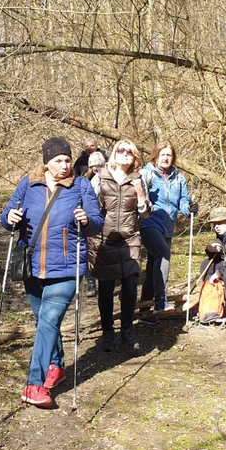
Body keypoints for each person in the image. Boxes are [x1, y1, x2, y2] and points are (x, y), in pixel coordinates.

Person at [1, 137, 104, 408]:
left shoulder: (80, 185)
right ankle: (56, 366)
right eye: (58, 160)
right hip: (31, 266)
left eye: (68, 160)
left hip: (67, 268)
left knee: (48, 321)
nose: (64, 165)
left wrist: (87, 220)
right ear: (46, 162)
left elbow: (97, 222)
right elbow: (7, 214)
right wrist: (9, 217)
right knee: (45, 324)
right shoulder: (28, 183)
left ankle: (34, 384)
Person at [88, 141, 151, 353]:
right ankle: (108, 333)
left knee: (131, 285)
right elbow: (91, 209)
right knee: (106, 289)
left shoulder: (139, 179)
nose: (124, 154)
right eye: (120, 150)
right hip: (104, 239)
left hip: (130, 239)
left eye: (129, 151)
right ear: (114, 154)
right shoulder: (100, 178)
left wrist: (141, 195)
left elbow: (146, 213)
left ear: (135, 157)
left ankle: (127, 331)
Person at [140, 141, 197, 321]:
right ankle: (160, 301)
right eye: (162, 154)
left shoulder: (178, 178)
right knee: (163, 253)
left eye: (169, 155)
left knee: (152, 267)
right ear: (155, 155)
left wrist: (190, 209)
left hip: (167, 227)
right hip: (148, 223)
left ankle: (145, 312)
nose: (166, 158)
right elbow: (138, 197)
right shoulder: (145, 174)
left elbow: (183, 203)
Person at [82, 151, 107, 298]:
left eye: (101, 165)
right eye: (95, 166)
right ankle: (90, 282)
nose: (98, 169)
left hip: (103, 220)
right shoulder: (85, 182)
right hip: (89, 221)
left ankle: (102, 278)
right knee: (88, 254)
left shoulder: (107, 179)